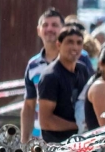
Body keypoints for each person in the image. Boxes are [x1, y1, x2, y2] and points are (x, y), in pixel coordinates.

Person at [21, 9, 94, 143]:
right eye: (45, 25)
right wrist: (24, 141)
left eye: (54, 25)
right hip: (43, 140)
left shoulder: (81, 59)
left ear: (62, 29)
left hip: (77, 140)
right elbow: (29, 105)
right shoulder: (33, 65)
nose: (49, 29)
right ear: (38, 30)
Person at [37, 25, 90, 143]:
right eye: (70, 42)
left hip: (79, 144)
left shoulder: (82, 70)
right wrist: (78, 126)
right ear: (58, 45)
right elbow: (45, 122)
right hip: (56, 147)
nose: (75, 47)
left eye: (79, 43)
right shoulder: (50, 76)